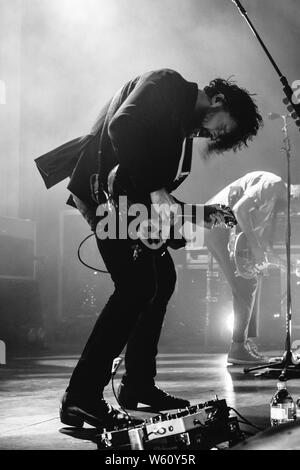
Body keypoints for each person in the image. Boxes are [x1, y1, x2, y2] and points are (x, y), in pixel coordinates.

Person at [35, 68, 263, 429]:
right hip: (103, 199)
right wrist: (158, 192)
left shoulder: (178, 123)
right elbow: (121, 127)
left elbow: (143, 183)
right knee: (136, 287)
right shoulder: (168, 84)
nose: (212, 134)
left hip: (123, 201)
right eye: (221, 127)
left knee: (161, 279)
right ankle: (80, 396)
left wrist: (196, 212)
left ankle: (138, 384)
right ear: (219, 100)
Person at [204, 171, 300, 365]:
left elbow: (259, 242)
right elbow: (239, 210)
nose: (296, 213)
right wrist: (256, 248)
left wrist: (281, 263)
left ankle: (243, 343)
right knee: (245, 284)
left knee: (251, 279)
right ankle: (237, 347)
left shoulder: (274, 203)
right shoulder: (273, 184)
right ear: (296, 195)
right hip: (217, 223)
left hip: (227, 228)